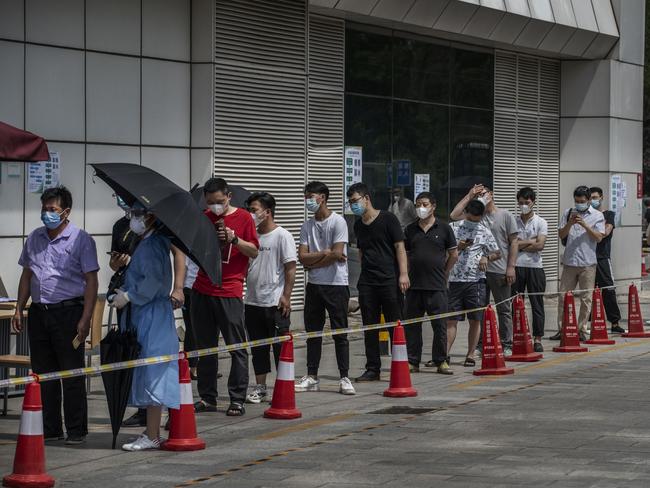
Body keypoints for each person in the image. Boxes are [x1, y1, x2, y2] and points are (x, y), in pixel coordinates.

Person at [11, 186, 99, 445]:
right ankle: (50, 429)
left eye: (52, 210)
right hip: (39, 313)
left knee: (71, 374)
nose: (47, 214)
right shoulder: (35, 237)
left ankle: (76, 430)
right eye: (44, 209)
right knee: (44, 374)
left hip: (68, 312)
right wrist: (19, 307)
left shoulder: (81, 239)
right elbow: (27, 274)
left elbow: (91, 281)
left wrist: (86, 319)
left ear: (66, 212)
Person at [113, 204, 181, 451]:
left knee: (154, 372)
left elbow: (151, 282)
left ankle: (152, 435)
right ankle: (150, 431)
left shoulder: (153, 245)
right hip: (146, 314)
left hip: (151, 314)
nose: (134, 219)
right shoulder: (149, 242)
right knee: (148, 370)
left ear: (152, 217)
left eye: (138, 214)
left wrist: (129, 296)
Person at [191, 178, 259, 416]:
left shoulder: (243, 218)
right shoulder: (203, 218)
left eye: (219, 202)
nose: (215, 207)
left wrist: (234, 239)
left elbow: (254, 251)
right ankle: (207, 397)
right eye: (210, 203)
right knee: (206, 348)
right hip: (202, 289)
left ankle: (237, 397)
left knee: (236, 347)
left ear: (228, 196)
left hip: (229, 290)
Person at [296, 182, 354, 395]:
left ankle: (344, 377)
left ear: (323, 197)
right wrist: (326, 255)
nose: (308, 200)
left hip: (336, 285)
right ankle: (312, 375)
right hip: (314, 286)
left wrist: (313, 260)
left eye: (311, 196)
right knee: (313, 332)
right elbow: (302, 257)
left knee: (340, 332)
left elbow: (338, 253)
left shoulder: (338, 222)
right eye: (306, 196)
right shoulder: (307, 225)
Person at [348, 182, 410, 382]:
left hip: (389, 279)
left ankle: (399, 366)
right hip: (368, 281)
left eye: (355, 201)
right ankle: (373, 368)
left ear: (366, 198)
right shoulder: (358, 225)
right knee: (370, 327)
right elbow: (361, 252)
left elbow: (399, 247)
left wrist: (403, 274)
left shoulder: (388, 219)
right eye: (350, 203)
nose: (353, 205)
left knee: (395, 324)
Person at [450, 184, 518, 355]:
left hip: (498, 268)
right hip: (476, 275)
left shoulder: (505, 215)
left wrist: (510, 267)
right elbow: (453, 215)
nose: (481, 196)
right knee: (479, 312)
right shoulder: (475, 215)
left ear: (491, 194)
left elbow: (514, 242)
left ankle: (506, 343)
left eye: (484, 193)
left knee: (503, 308)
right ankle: (480, 345)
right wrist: (469, 194)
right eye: (478, 195)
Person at [244, 192, 297, 403]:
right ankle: (260, 387)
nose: (250, 214)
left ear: (267, 212)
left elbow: (291, 268)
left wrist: (286, 296)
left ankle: (284, 387)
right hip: (252, 301)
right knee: (258, 348)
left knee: (280, 347)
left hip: (275, 302)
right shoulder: (251, 236)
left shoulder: (282, 235)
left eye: (254, 210)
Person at [403, 192, 457, 374]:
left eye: (424, 204)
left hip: (437, 286)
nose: (421, 208)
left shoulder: (444, 228)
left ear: (433, 206)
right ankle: (413, 361)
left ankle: (441, 360)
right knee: (412, 326)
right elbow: (406, 255)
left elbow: (453, 254)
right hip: (414, 286)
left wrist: (445, 272)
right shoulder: (410, 230)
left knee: (440, 325)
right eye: (418, 204)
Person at [447, 200, 500, 367]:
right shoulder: (453, 228)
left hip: (476, 281)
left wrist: (487, 257)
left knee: (475, 319)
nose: (474, 222)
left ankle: (470, 354)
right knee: (451, 319)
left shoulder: (484, 230)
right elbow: (443, 250)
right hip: (454, 280)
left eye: (477, 220)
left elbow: (497, 252)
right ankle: (443, 354)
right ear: (465, 213)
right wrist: (459, 247)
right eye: (471, 219)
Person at [553, 185, 605, 341]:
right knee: (563, 296)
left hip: (588, 263)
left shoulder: (597, 216)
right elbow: (561, 234)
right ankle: (562, 329)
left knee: (586, 298)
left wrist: (585, 225)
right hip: (569, 262)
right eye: (576, 201)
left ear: (589, 200)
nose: (579, 204)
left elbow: (598, 237)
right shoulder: (568, 213)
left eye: (582, 201)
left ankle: (582, 329)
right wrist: (570, 223)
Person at [513, 187, 548, 352]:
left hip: (535, 267)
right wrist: (530, 242)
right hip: (516, 266)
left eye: (526, 202)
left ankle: (538, 338)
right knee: (515, 303)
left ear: (533, 202)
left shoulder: (541, 222)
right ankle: (516, 336)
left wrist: (520, 244)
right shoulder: (513, 221)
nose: (524, 205)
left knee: (537, 304)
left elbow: (540, 245)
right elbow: (509, 245)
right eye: (520, 203)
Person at [590, 187, 625, 334]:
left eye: (595, 197)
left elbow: (606, 231)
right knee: (588, 292)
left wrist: (591, 231)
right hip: (587, 258)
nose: (593, 200)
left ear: (601, 197)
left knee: (608, 289)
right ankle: (588, 323)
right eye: (590, 197)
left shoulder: (608, 214)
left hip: (602, 257)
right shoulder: (587, 215)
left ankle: (615, 322)